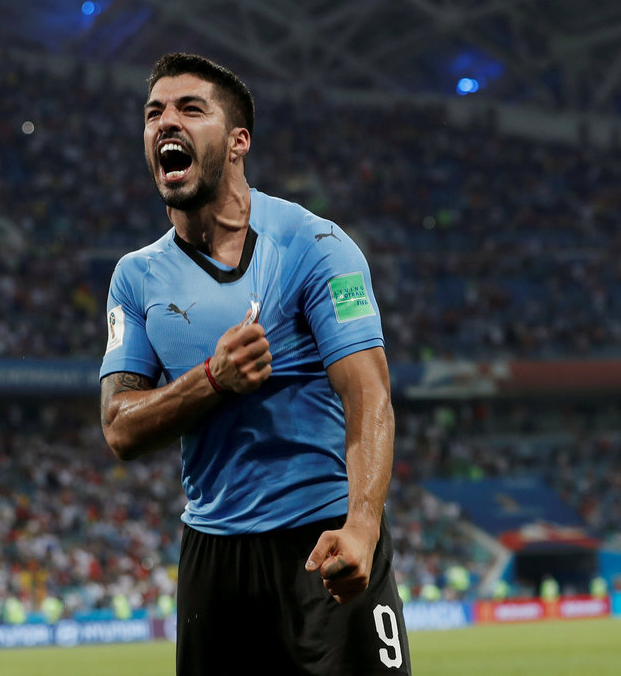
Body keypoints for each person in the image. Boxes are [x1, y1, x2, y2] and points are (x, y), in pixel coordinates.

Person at [99, 52, 411, 675]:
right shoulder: (136, 278)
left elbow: (369, 395)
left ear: (239, 141)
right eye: (154, 113)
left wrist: (362, 525)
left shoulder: (316, 246)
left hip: (324, 540)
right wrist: (212, 380)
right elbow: (119, 428)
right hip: (213, 563)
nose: (166, 122)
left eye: (191, 109)